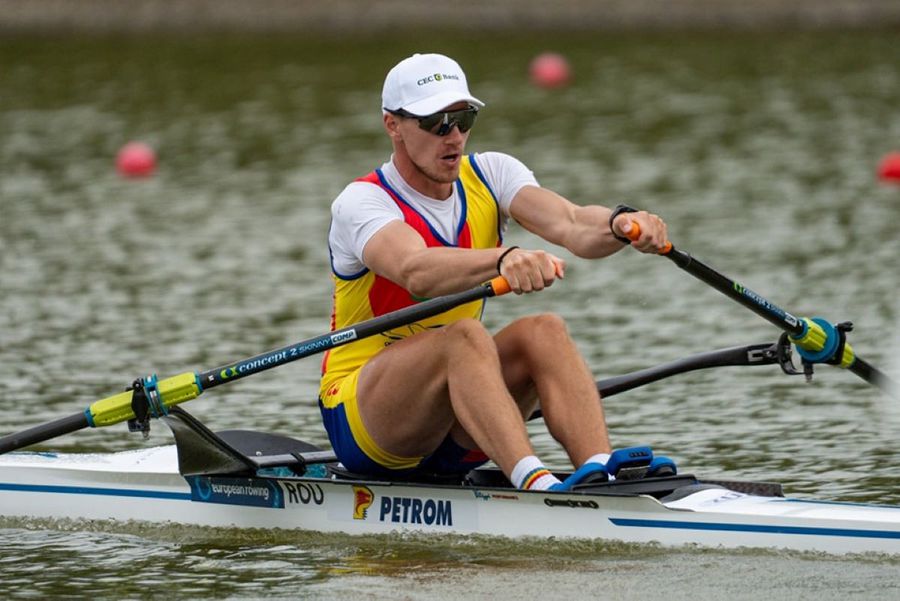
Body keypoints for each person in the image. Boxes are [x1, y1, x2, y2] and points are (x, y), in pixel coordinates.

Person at [319, 52, 674, 491]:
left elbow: (572, 224)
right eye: (436, 123)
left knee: (543, 330)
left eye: (463, 119)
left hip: (458, 420)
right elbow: (416, 270)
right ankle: (534, 484)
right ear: (393, 125)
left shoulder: (492, 174)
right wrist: (502, 258)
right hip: (366, 420)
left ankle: (602, 474)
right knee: (464, 337)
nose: (454, 136)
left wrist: (621, 224)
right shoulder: (363, 202)